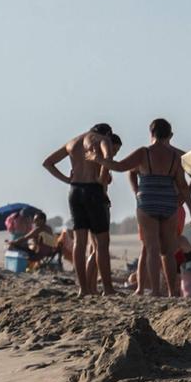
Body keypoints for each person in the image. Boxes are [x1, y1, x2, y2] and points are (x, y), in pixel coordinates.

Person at [98, 119, 191, 298]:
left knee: (151, 248)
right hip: (169, 203)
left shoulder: (143, 153)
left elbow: (121, 167)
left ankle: (155, 291)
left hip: (147, 202)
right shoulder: (176, 157)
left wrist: (99, 159)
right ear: (169, 135)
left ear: (151, 133)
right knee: (167, 251)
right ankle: (170, 292)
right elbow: (183, 185)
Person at [43, 122, 116, 296]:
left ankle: (83, 288)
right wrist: (102, 179)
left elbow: (48, 163)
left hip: (75, 191)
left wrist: (67, 180)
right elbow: (108, 159)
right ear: (107, 133)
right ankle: (107, 288)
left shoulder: (73, 142)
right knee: (102, 243)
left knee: (79, 241)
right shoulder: (102, 140)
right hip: (93, 190)